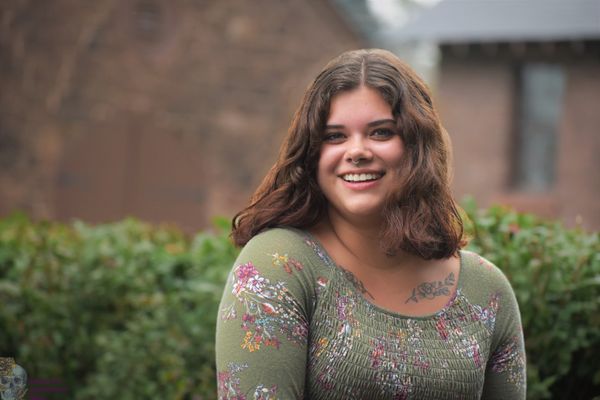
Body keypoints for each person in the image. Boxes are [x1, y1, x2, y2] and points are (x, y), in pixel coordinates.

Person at [215, 49, 526, 399]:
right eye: (334, 136)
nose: (357, 150)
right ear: (312, 154)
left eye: (380, 133)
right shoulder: (279, 266)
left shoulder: (487, 292)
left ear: (417, 147)